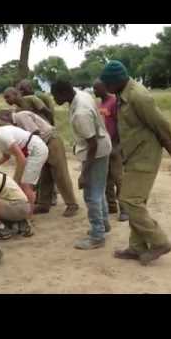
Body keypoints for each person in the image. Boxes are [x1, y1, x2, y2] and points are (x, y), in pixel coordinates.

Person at [100, 60, 171, 265]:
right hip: (132, 154)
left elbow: (160, 123)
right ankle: (137, 248)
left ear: (116, 82)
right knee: (136, 201)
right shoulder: (122, 95)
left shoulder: (138, 96)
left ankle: (159, 241)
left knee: (129, 200)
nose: (105, 89)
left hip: (145, 155)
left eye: (107, 84)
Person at [51, 79, 112, 250]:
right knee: (99, 190)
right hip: (101, 147)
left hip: (97, 151)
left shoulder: (80, 112)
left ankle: (97, 236)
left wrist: (84, 173)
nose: (54, 99)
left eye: (55, 95)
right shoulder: (81, 95)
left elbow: (92, 144)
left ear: (64, 93)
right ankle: (104, 225)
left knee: (91, 194)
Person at [0, 109, 79, 217]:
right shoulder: (14, 124)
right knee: (44, 176)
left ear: (6, 118)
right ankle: (43, 204)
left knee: (60, 174)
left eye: (2, 123)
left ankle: (72, 204)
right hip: (41, 145)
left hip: (51, 141)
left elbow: (35, 133)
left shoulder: (21, 116)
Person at [0, 115, 48, 213]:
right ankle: (26, 210)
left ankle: (28, 214)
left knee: (25, 184)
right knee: (23, 184)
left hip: (36, 150)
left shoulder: (2, 135)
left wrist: (16, 180)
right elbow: (6, 156)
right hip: (29, 152)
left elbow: (21, 158)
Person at [93, 79, 129, 222]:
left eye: (96, 89)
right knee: (106, 177)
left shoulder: (114, 102)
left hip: (115, 144)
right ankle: (111, 205)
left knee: (118, 177)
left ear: (105, 88)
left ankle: (125, 209)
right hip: (104, 145)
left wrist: (119, 144)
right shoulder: (100, 104)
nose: (94, 91)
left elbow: (121, 123)